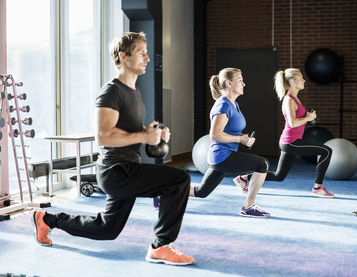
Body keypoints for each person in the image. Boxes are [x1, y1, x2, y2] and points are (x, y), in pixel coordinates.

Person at [31, 32, 195, 266]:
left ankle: (46, 218)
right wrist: (142, 135)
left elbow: (126, 129)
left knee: (106, 229)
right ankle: (161, 246)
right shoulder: (111, 92)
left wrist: (154, 132)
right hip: (116, 171)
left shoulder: (134, 92)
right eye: (141, 52)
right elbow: (103, 135)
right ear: (123, 56)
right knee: (178, 180)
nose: (147, 58)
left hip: (127, 167)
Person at [233, 68, 334, 198]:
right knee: (326, 151)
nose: (304, 80)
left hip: (290, 141)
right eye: (301, 77)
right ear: (292, 81)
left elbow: (297, 120)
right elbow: (292, 123)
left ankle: (243, 179)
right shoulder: (289, 100)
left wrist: (307, 118)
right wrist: (308, 118)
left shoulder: (295, 99)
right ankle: (317, 188)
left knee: (279, 176)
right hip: (291, 142)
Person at [190, 68, 270, 218]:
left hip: (224, 155)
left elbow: (230, 130)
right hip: (222, 156)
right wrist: (241, 139)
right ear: (229, 83)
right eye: (240, 80)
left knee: (201, 192)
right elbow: (215, 135)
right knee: (262, 164)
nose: (244, 83)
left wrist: (244, 138)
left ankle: (163, 192)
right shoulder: (223, 105)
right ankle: (248, 206)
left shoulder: (233, 104)